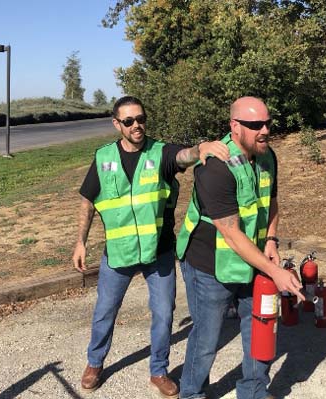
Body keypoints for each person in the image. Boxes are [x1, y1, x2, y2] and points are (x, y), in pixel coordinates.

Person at [72, 96, 230, 397]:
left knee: (163, 312)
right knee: (105, 310)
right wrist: (80, 241)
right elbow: (87, 200)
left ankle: (158, 370)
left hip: (159, 252)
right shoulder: (104, 158)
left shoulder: (160, 153)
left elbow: (183, 156)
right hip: (118, 253)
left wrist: (201, 149)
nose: (137, 126)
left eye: (141, 119)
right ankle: (95, 362)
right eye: (129, 121)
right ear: (116, 124)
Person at [175, 96, 305, 399]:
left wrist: (271, 240)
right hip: (209, 265)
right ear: (235, 127)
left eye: (267, 123)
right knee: (207, 339)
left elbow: (271, 202)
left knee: (260, 326)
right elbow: (231, 233)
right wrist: (275, 271)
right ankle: (191, 393)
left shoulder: (266, 156)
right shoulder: (214, 168)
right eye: (255, 125)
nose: (264, 130)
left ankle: (254, 391)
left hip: (254, 259)